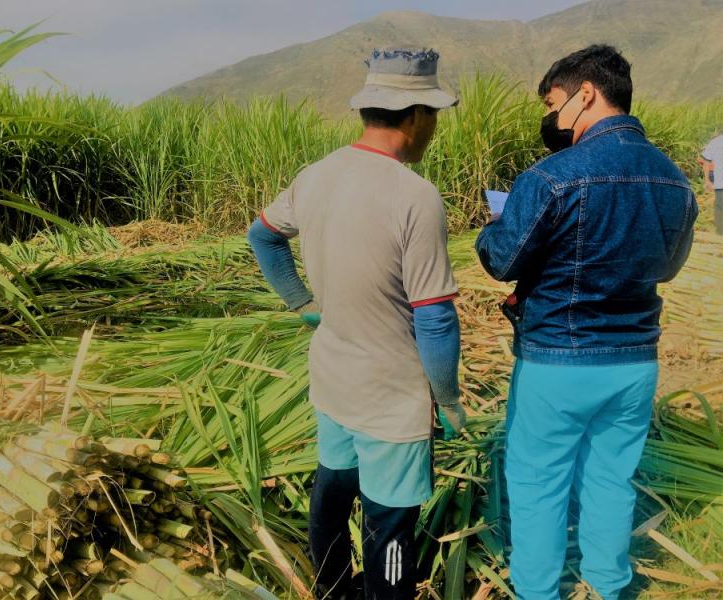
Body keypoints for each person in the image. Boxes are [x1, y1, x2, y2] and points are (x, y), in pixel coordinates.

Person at [475, 45, 697, 600]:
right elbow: (666, 268)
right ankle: (608, 583)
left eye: (554, 104)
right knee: (611, 479)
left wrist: (493, 226)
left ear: (586, 94)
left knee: (537, 482)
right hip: (635, 362)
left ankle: (537, 590)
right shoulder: (675, 181)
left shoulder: (553, 176)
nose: (552, 118)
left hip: (558, 361)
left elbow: (502, 259)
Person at [247, 48, 465, 600]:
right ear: (415, 116)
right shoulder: (415, 197)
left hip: (333, 376)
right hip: (391, 395)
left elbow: (263, 236)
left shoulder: (317, 175)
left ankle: (331, 589)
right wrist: (448, 397)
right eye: (434, 115)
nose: (434, 128)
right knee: (390, 522)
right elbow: (435, 318)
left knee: (334, 486)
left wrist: (302, 305)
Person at [700, 133, 723, 234]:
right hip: (720, 182)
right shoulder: (715, 142)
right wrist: (707, 180)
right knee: (719, 207)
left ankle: (720, 232)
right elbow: (706, 162)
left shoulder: (715, 142)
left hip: (720, 182)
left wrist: (707, 180)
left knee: (719, 208)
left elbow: (706, 162)